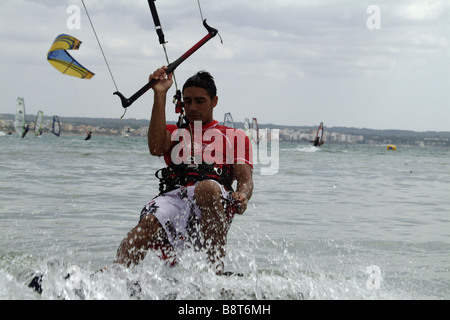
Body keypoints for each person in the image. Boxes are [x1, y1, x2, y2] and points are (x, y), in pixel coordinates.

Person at [115, 66, 254, 275]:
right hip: (176, 200)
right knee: (146, 226)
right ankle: (115, 277)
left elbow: (246, 180)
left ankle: (215, 273)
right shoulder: (175, 132)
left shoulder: (234, 136)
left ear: (214, 101)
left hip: (213, 200)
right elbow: (155, 148)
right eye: (187, 101)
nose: (192, 107)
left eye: (200, 101)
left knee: (206, 188)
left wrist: (242, 195)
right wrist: (160, 93)